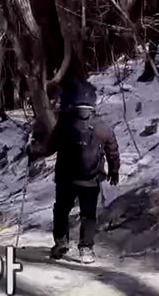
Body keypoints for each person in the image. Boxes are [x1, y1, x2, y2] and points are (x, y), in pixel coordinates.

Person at [31, 79, 120, 264]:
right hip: (91, 178)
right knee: (88, 213)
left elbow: (49, 148)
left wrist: (32, 151)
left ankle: (61, 243)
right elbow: (112, 148)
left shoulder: (64, 124)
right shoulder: (101, 125)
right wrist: (114, 170)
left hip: (66, 178)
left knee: (61, 210)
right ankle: (86, 249)